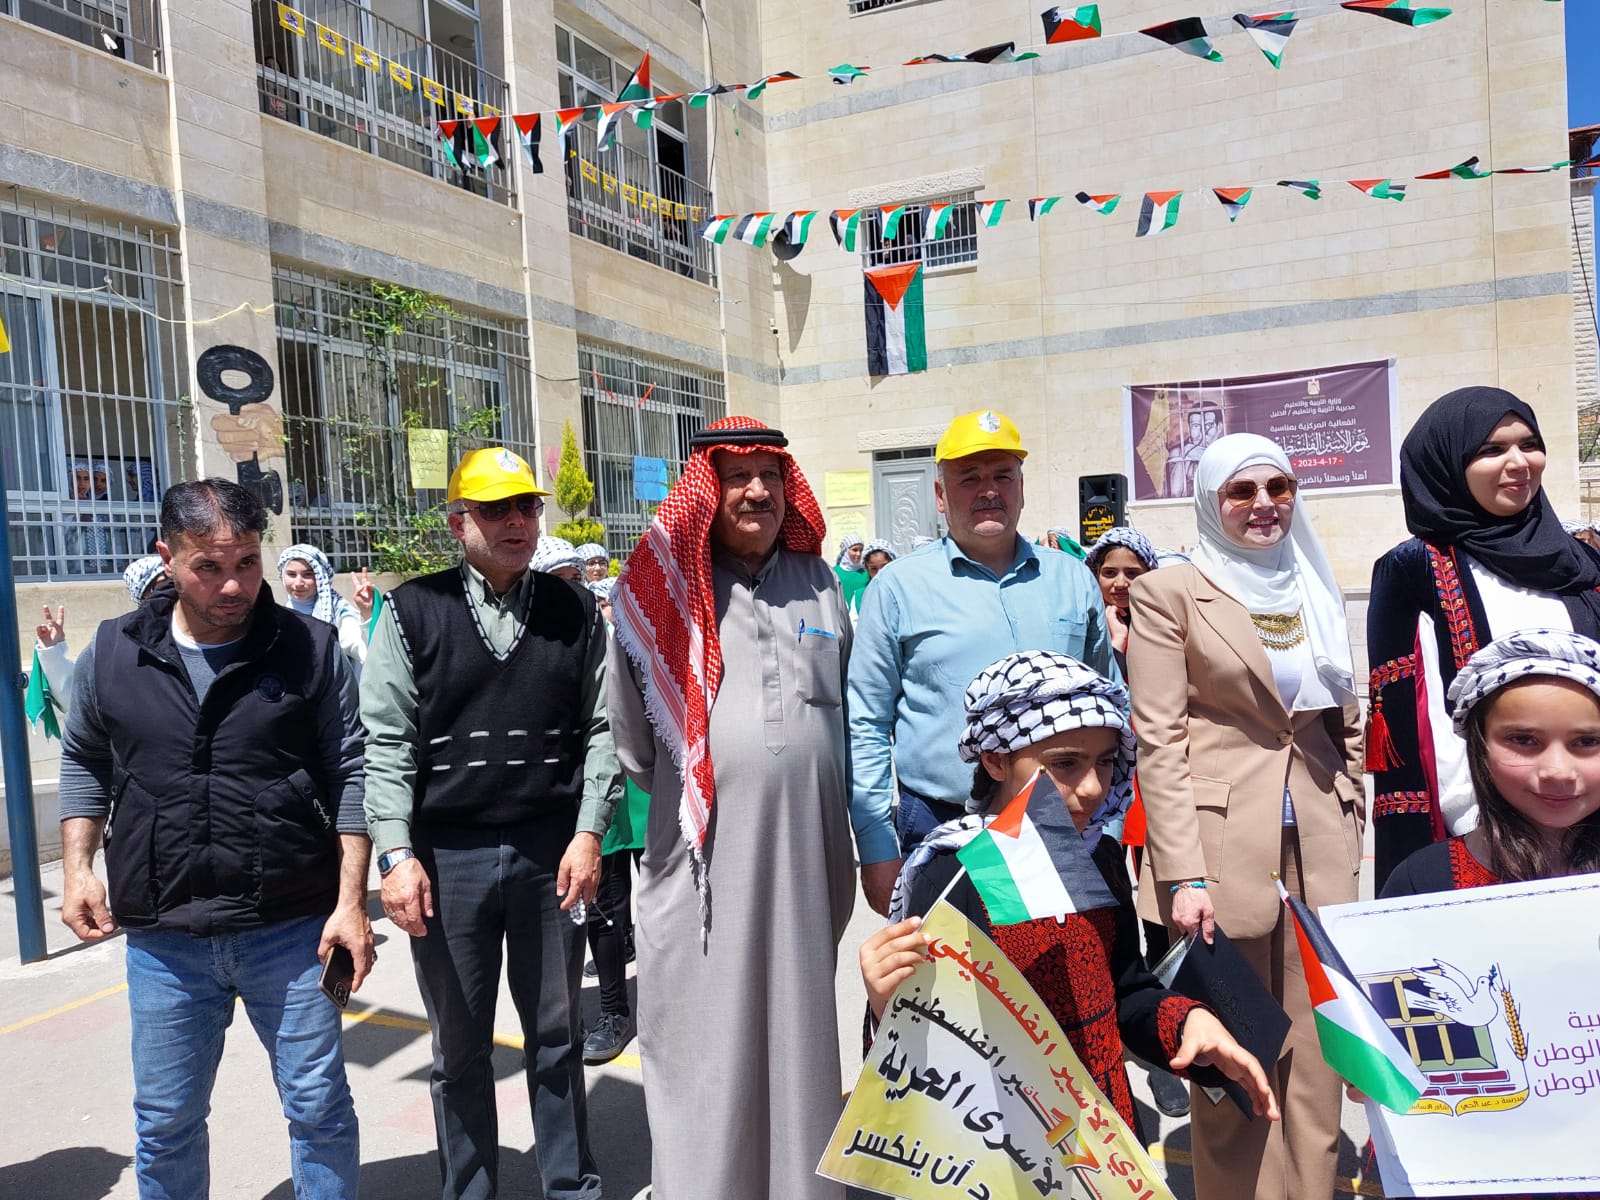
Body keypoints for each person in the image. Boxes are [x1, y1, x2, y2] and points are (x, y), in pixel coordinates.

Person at [57, 477, 371, 1198]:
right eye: (209, 566)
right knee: (165, 1122)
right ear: (167, 557)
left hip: (292, 931)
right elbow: (85, 757)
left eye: (248, 562)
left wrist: (352, 903)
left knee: (318, 1109)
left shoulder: (310, 648)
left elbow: (351, 770)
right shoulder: (112, 652)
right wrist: (78, 868)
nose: (233, 585)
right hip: (164, 940)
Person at [860, 651, 1278, 1145]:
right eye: (1065, 764)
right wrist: (883, 1003)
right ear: (995, 760)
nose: (1094, 787)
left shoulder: (1098, 855)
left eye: (1105, 761)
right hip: (1000, 1148)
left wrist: (1187, 1022)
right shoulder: (952, 875)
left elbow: (1126, 992)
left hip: (1105, 1144)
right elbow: (921, 1044)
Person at [607, 415, 857, 1200]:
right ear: (704, 491)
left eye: (771, 476)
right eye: (737, 476)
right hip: (704, 869)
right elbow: (635, 744)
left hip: (805, 866)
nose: (757, 492)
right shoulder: (661, 592)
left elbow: (841, 712)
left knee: (799, 1047)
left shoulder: (822, 585)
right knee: (706, 1049)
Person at [362, 447, 618, 1200]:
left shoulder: (576, 612)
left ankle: (570, 1185)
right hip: (448, 860)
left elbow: (603, 729)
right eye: (496, 509)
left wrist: (589, 832)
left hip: (552, 854)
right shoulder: (413, 610)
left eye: (527, 506)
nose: (516, 522)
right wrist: (395, 855)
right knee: (461, 1046)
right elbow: (385, 741)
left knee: (556, 1035)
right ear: (458, 523)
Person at [1129, 433, 1364, 1200]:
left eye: (1279, 488)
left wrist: (1350, 810)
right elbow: (1159, 739)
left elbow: (1342, 720)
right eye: (1243, 491)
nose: (1264, 504)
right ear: (1211, 500)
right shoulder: (1169, 593)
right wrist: (1182, 874)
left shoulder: (1312, 583)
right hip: (1219, 854)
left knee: (1320, 1058)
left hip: (1317, 848)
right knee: (1234, 1061)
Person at [849, 409, 1116, 900]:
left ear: (1021, 487)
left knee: (1063, 953)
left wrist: (1110, 822)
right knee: (954, 954)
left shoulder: (1073, 579)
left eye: (1002, 476)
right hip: (942, 825)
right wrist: (876, 844)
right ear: (940, 494)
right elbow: (866, 721)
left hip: (1067, 826)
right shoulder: (897, 588)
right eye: (969, 477)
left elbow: (1110, 706)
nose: (988, 490)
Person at [1377, 629, 1600, 1200]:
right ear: (1477, 745)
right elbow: (1400, 1039)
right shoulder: (1424, 885)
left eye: (1587, 742)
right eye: (1523, 740)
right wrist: (1380, 1074)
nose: (1558, 770)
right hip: (1488, 1168)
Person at [1366, 387, 1600, 893]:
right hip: (1484, 834)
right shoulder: (1415, 568)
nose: (1519, 463)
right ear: (1448, 462)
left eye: (1529, 445)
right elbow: (1418, 717)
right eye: (1492, 450)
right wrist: (1479, 834)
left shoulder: (1582, 564)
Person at [30, 557, 170, 717]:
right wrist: (52, 652)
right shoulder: (117, 642)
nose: (175, 589)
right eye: (166, 582)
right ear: (144, 594)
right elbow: (78, 698)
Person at [278, 544, 371, 676]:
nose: (298, 583)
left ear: (320, 576)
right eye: (291, 574)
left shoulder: (338, 611)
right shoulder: (278, 614)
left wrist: (367, 613)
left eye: (307, 574)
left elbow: (359, 646)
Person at [1085, 527, 1161, 678]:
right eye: (1110, 573)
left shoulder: (1163, 623)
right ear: (1096, 575)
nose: (1120, 583)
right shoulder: (1085, 625)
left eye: (1132, 573)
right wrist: (1118, 640)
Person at [833, 532, 869, 613]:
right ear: (845, 551)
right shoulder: (834, 572)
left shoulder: (866, 572)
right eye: (855, 550)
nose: (858, 554)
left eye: (861, 550)